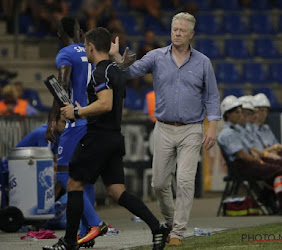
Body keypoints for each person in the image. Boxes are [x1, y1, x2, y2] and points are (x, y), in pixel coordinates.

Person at [43, 27, 169, 250]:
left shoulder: (100, 72)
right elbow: (108, 102)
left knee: (73, 183)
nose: (85, 51)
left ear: (90, 47)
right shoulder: (116, 70)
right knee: (116, 191)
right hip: (113, 138)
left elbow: (105, 104)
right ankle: (157, 228)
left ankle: (70, 241)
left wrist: (78, 112)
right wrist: (85, 108)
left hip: (98, 138)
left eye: (86, 48)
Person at [111, 12, 221, 246]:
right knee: (159, 183)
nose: (177, 33)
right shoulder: (156, 56)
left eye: (182, 30)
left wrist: (212, 128)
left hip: (192, 128)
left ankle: (178, 232)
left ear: (191, 34)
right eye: (174, 29)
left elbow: (212, 97)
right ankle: (171, 221)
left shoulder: (203, 62)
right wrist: (117, 59)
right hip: (163, 127)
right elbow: (129, 72)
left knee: (184, 180)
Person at [45, 16, 107, 248]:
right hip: (95, 122)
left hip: (77, 123)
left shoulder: (66, 54)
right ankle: (85, 236)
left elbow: (61, 85)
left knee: (64, 175)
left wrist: (53, 119)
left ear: (60, 33)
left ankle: (95, 223)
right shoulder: (93, 51)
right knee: (86, 180)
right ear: (81, 33)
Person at [218, 96, 282, 215]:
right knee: (279, 170)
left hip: (247, 163)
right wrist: (258, 160)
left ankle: (270, 197)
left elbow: (250, 149)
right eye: (237, 112)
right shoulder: (228, 133)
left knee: (278, 169)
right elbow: (241, 155)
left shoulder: (235, 130)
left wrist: (258, 158)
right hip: (241, 166)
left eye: (241, 112)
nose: (240, 115)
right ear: (228, 115)